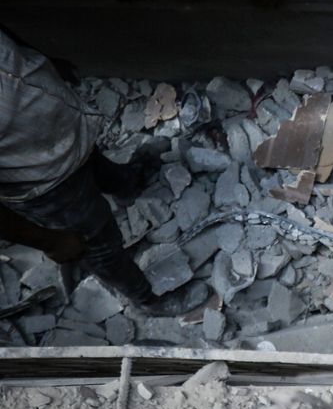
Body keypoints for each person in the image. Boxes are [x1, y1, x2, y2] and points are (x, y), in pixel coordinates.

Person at [0, 27, 207, 316]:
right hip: (44, 181)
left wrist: (39, 61)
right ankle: (148, 300)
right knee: (99, 243)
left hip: (67, 129)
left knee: (98, 166)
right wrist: (50, 241)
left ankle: (127, 183)